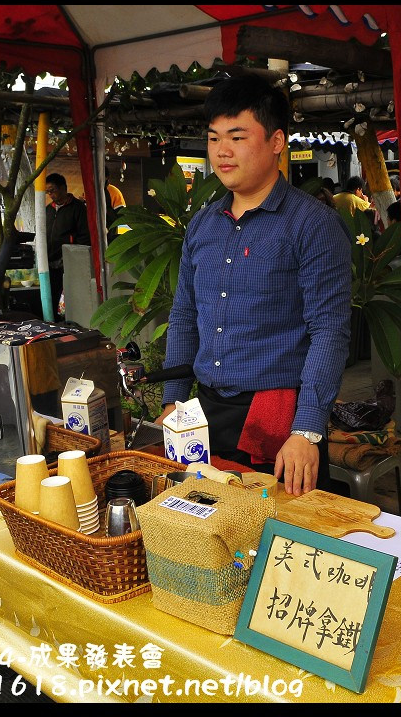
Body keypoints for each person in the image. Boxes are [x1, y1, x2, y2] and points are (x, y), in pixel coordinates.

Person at [155, 74, 352, 497]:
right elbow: (185, 316)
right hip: (204, 413)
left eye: (237, 136)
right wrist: (173, 400)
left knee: (277, 540)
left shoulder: (313, 225)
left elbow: (329, 331)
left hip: (276, 417)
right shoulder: (203, 225)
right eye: (213, 138)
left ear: (277, 141)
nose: (222, 151)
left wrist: (309, 430)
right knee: (204, 533)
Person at [45, 173, 91, 316]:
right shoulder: (48, 209)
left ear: (63, 188)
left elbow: (85, 236)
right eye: (48, 191)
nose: (50, 194)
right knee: (51, 296)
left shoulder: (78, 208)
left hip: (68, 262)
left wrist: (76, 258)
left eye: (52, 190)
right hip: (49, 260)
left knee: (67, 299)